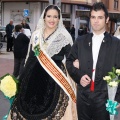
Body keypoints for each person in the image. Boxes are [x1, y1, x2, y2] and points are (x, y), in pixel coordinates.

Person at [7, 5, 77, 120]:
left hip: (54, 79)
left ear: (59, 19)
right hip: (32, 77)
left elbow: (71, 58)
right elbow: (30, 57)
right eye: (49, 16)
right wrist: (20, 78)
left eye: (55, 17)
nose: (52, 19)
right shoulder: (36, 35)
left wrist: (76, 65)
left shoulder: (64, 36)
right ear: (44, 17)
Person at [66, 2, 120, 120]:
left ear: (107, 19)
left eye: (100, 17)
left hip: (104, 97)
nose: (96, 21)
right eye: (93, 17)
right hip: (83, 97)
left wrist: (117, 99)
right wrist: (79, 76)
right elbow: (69, 62)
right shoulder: (80, 41)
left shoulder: (116, 44)